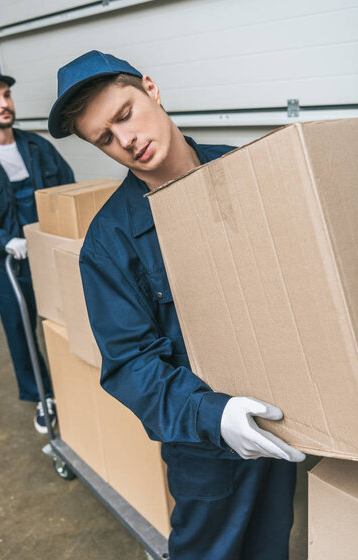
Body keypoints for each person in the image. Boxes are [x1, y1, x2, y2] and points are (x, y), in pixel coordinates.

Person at [48, 51, 305, 559]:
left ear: (150, 88)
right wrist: (215, 415)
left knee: (272, 545)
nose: (126, 141)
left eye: (124, 115)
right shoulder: (109, 243)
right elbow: (130, 365)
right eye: (105, 138)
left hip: (282, 413)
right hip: (205, 445)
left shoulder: (245, 170)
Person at [0, 67, 75, 433]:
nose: (3, 103)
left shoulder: (37, 147)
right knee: (21, 331)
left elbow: (66, 191)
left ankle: (76, 384)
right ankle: (43, 396)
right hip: (8, 263)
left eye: (6, 95)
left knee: (67, 321)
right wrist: (1, 241)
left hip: (48, 255)